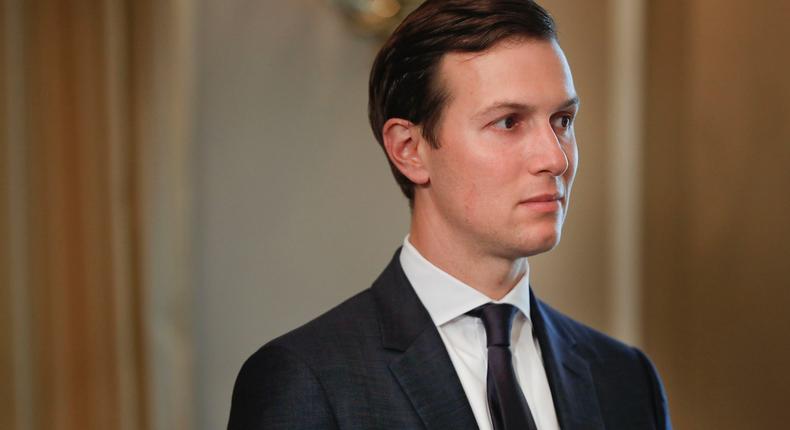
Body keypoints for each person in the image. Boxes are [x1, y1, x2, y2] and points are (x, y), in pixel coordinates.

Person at [228, 0, 671, 429]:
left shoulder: (625, 379)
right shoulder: (308, 380)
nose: (554, 159)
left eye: (562, 121)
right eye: (509, 122)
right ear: (409, 149)